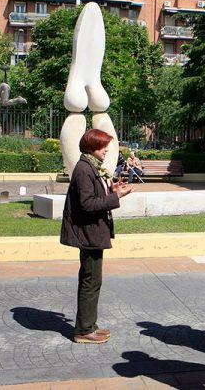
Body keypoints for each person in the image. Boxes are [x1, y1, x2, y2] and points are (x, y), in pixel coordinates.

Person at [60, 129, 134, 344]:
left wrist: (111, 192)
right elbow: (87, 204)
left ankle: (89, 324)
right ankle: (84, 330)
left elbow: (93, 197)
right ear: (92, 147)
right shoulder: (84, 169)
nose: (106, 150)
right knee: (90, 281)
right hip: (89, 233)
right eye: (103, 146)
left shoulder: (91, 166)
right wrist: (115, 197)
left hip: (93, 232)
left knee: (93, 280)